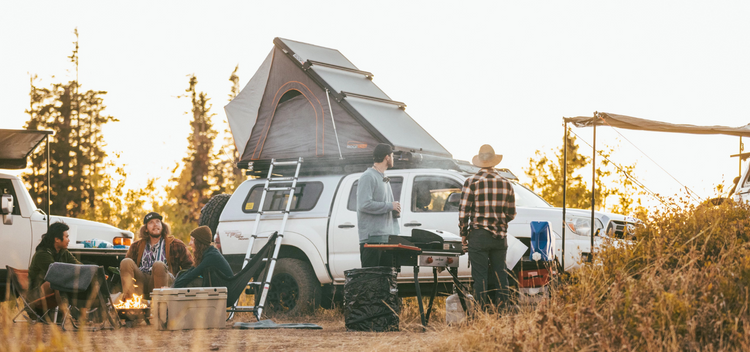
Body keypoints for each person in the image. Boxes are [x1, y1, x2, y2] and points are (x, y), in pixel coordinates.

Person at [458, 144, 516, 310]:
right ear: (494, 162)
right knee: (501, 276)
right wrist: (499, 223)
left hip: (479, 236)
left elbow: (464, 212)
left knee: (480, 277)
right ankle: (502, 313)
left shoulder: (471, 182)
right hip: (500, 237)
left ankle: (480, 316)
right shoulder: (506, 184)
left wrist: (463, 233)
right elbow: (511, 213)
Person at [119, 212, 193, 299]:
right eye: (151, 223)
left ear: (162, 226)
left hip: (165, 280)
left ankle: (160, 305)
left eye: (158, 221)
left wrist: (177, 285)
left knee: (158, 265)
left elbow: (189, 267)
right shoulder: (136, 246)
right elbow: (126, 270)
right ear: (146, 229)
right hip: (142, 280)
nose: (155, 225)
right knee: (126, 262)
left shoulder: (175, 244)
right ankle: (130, 303)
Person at [357, 143, 401, 267]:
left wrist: (394, 209)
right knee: (371, 281)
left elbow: (387, 203)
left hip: (386, 239)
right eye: (392, 156)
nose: (393, 159)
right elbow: (364, 204)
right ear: (387, 157)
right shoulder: (368, 176)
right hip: (372, 241)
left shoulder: (384, 177)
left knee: (386, 281)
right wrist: (389, 206)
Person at [26, 222, 82, 314]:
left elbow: (79, 266)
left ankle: (80, 312)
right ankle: (66, 314)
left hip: (53, 292)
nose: (68, 240)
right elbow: (56, 273)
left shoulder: (64, 252)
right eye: (66, 237)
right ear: (57, 239)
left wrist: (92, 272)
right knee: (56, 280)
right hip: (35, 296)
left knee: (79, 277)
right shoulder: (42, 254)